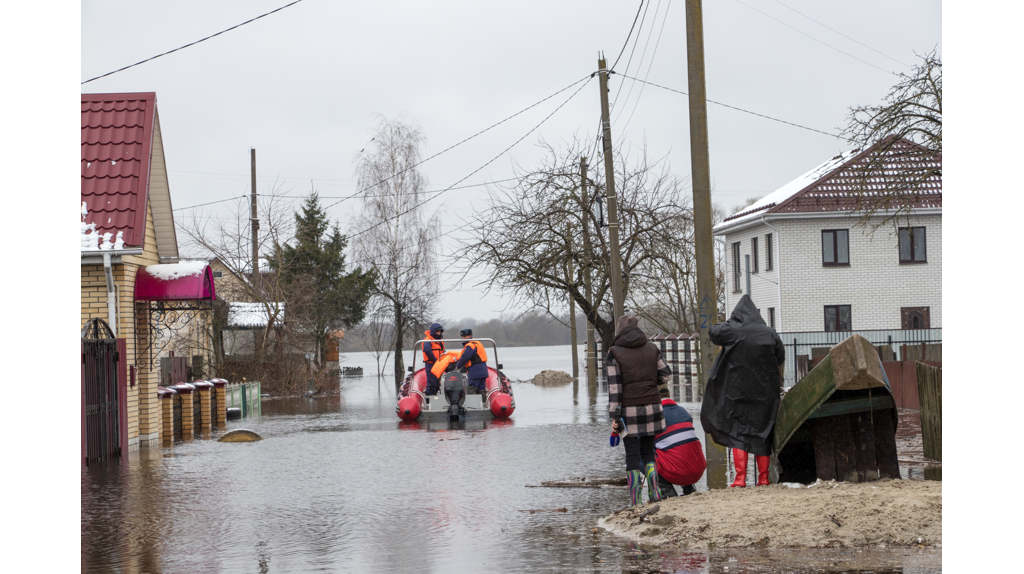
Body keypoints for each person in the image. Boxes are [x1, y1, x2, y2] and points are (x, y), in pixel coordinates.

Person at [699, 294, 785, 487]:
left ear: (738, 315)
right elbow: (780, 356)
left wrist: (730, 322)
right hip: (764, 392)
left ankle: (740, 479)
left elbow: (713, 332)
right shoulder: (769, 333)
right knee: (763, 431)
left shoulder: (732, 330)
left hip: (736, 391)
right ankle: (763, 478)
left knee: (737, 432)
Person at [607, 315, 672, 507]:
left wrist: (615, 416)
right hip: (653, 406)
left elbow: (615, 389)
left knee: (632, 454)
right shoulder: (652, 348)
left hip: (628, 410)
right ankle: (655, 494)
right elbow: (666, 375)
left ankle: (636, 501)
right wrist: (652, 382)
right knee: (649, 452)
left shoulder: (614, 353)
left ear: (619, 330)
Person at [654, 398, 706, 498]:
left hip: (678, 473)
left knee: (643, 454)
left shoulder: (655, 415)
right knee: (682, 447)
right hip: (698, 470)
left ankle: (667, 491)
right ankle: (688, 488)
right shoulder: (683, 411)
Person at [455, 328, 489, 395]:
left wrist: (458, 366)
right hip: (483, 370)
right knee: (481, 389)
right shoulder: (477, 343)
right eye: (462, 337)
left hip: (475, 371)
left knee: (471, 389)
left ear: (470, 335)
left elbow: (465, 357)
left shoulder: (470, 346)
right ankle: (482, 403)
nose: (463, 338)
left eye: (464, 336)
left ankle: (472, 405)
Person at [422, 323, 446, 395]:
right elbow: (427, 351)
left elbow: (443, 352)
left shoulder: (439, 341)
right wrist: (436, 361)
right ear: (433, 331)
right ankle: (429, 399)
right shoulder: (427, 340)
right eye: (437, 332)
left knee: (437, 383)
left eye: (439, 332)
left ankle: (436, 398)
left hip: (439, 364)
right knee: (431, 383)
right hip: (431, 364)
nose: (438, 334)